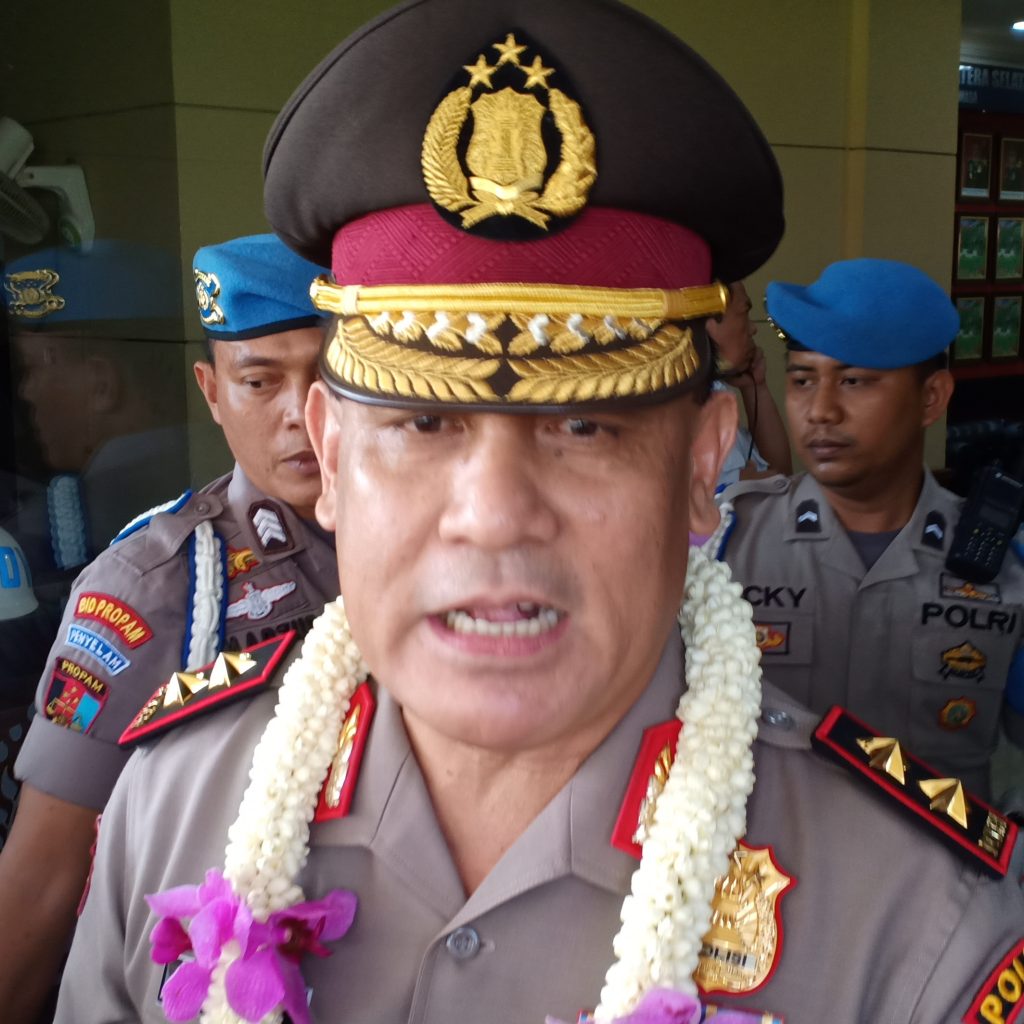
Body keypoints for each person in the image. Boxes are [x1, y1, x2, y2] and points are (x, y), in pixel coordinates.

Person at [57, 3, 1022, 1023]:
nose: (493, 516)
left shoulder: (922, 928)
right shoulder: (170, 804)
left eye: (584, 427)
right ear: (331, 455)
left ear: (702, 464)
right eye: (423, 423)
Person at [0, 234, 337, 1024]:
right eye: (260, 381)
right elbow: (44, 880)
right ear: (212, 393)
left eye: (328, 376)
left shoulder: (444, 543)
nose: (301, 414)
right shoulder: (156, 586)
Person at [719, 257, 1024, 800]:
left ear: (931, 398)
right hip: (768, 850)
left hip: (938, 854)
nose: (821, 411)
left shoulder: (1008, 569)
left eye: (854, 381)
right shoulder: (729, 544)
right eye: (802, 379)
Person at [705, 281, 792, 486]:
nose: (752, 328)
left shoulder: (715, 391)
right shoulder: (683, 407)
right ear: (710, 324)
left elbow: (781, 478)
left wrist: (755, 388)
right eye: (744, 312)